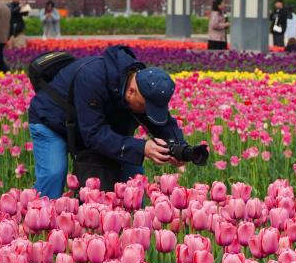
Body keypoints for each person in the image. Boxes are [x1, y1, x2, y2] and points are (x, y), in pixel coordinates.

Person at [27, 45, 194, 197]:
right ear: (131, 91)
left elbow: (162, 122)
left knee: (132, 175)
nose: (146, 113)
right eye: (145, 108)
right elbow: (93, 135)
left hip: (88, 123)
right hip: (51, 120)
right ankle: (41, 219)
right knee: (54, 173)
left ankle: (132, 223)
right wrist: (142, 147)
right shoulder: (92, 78)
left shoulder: (143, 87)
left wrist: (178, 145)